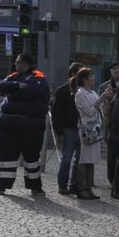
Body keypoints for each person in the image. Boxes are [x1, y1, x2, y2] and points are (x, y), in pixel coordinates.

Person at [0, 51, 51, 196]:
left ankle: (35, 187)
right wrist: (18, 85)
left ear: (26, 63)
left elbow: (34, 90)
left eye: (18, 62)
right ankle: (2, 185)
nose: (15, 64)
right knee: (6, 155)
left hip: (31, 124)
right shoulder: (14, 76)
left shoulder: (38, 76)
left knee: (31, 156)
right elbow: (1, 86)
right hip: (9, 123)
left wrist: (13, 92)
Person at [72, 67, 108, 199]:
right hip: (87, 130)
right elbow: (89, 111)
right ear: (84, 79)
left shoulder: (92, 92)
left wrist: (104, 99)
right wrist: (101, 99)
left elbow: (99, 111)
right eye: (91, 76)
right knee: (84, 159)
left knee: (91, 160)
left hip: (95, 129)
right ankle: (81, 188)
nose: (94, 78)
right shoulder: (80, 94)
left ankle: (88, 188)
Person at [51, 62, 84, 196]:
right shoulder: (62, 90)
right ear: (73, 74)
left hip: (82, 128)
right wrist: (58, 132)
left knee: (79, 160)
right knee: (67, 158)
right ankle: (62, 184)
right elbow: (56, 113)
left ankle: (74, 185)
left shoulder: (84, 90)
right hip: (69, 129)